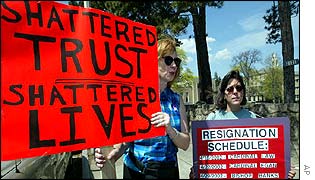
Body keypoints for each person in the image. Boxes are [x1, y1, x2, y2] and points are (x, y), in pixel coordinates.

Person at [94, 36, 190, 179]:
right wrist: (112, 153)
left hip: (168, 173)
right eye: (168, 60)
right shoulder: (134, 97)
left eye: (177, 61)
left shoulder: (177, 100)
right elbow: (126, 140)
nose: (174, 66)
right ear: (153, 61)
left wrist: (169, 129)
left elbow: (185, 143)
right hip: (136, 172)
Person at [189, 70, 296, 179]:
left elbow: (264, 157)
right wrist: (197, 172)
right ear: (224, 94)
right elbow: (205, 155)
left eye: (239, 88)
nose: (235, 92)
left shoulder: (253, 118)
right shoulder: (212, 118)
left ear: (243, 92)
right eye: (230, 89)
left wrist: (284, 170)